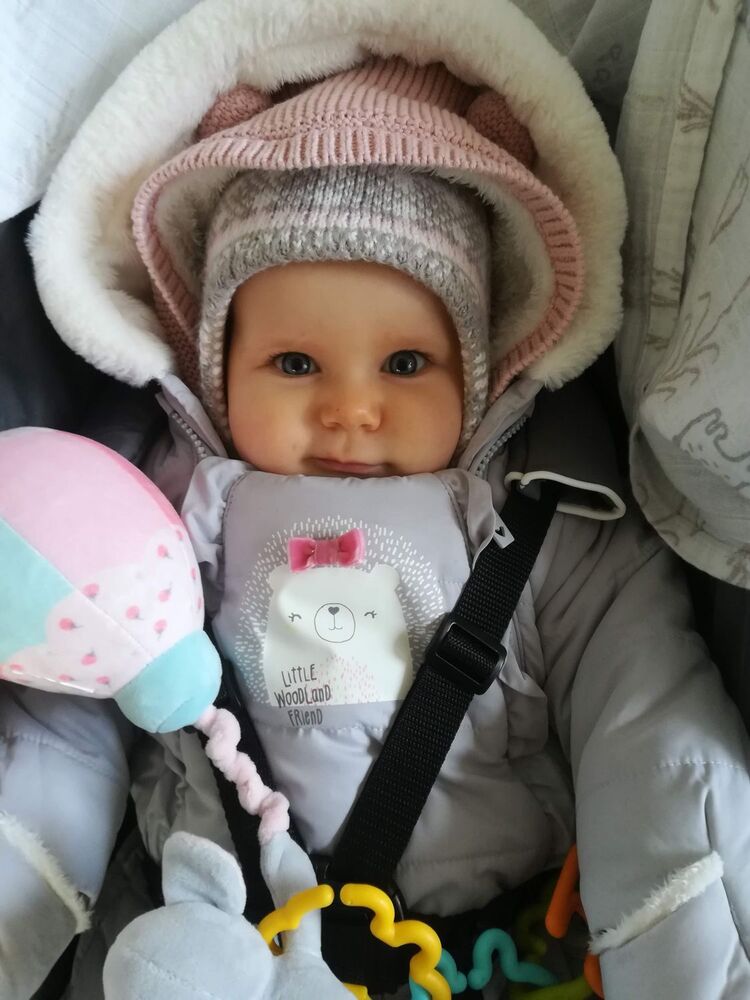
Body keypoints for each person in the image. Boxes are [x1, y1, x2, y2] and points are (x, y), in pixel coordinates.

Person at [5, 28, 750, 1000]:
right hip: (217, 944)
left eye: (405, 364)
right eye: (295, 363)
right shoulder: (162, 522)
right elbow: (66, 736)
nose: (351, 409)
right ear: (217, 375)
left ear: (478, 376)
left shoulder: (545, 524)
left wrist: (666, 930)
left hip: (492, 952)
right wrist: (26, 876)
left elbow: (643, 720)